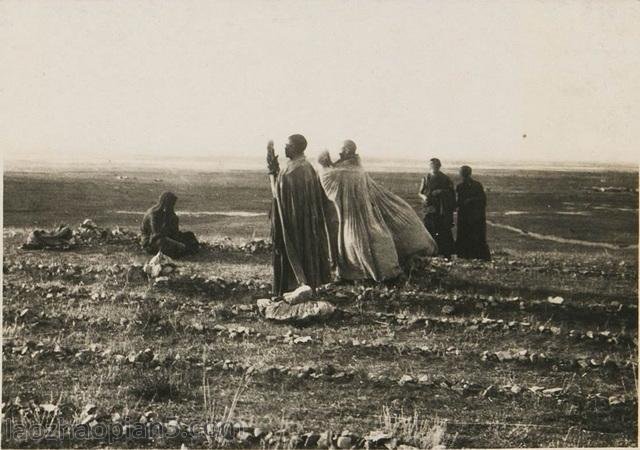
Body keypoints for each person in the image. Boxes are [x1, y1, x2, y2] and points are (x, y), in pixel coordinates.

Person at [318, 140, 437, 282]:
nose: (339, 153)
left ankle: (362, 274)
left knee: (357, 241)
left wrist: (324, 165)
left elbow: (328, 178)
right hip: (358, 213)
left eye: (342, 150)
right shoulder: (354, 168)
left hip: (355, 216)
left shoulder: (349, 171)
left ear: (349, 151)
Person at [267, 134, 332, 297]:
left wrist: (273, 172)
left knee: (294, 248)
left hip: (295, 220)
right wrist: (273, 170)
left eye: (288, 145)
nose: (285, 148)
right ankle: (299, 285)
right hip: (297, 219)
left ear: (296, 147)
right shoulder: (301, 166)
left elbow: (278, 194)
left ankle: (297, 284)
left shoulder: (298, 169)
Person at [140, 191, 199, 258]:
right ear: (166, 203)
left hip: (164, 236)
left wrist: (174, 219)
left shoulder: (167, 213)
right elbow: (156, 234)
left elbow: (174, 232)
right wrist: (177, 243)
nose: (172, 206)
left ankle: (187, 250)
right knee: (163, 242)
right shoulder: (153, 214)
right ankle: (184, 252)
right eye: (172, 204)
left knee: (189, 235)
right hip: (150, 242)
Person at [419, 158, 456, 257]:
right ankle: (430, 252)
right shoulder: (426, 178)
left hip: (441, 208)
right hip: (429, 207)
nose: (433, 167)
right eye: (431, 165)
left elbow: (451, 192)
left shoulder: (445, 178)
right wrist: (424, 197)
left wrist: (441, 191)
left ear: (439, 166)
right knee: (429, 228)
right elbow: (420, 192)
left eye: (435, 165)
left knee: (442, 229)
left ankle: (445, 252)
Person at [456, 165, 491, 260]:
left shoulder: (476, 185)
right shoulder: (460, 186)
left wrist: (471, 200)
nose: (463, 175)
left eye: (464, 173)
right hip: (465, 215)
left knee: (476, 235)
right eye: (462, 173)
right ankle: (465, 255)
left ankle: (477, 256)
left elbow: (482, 200)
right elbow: (458, 202)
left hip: (475, 216)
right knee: (466, 235)